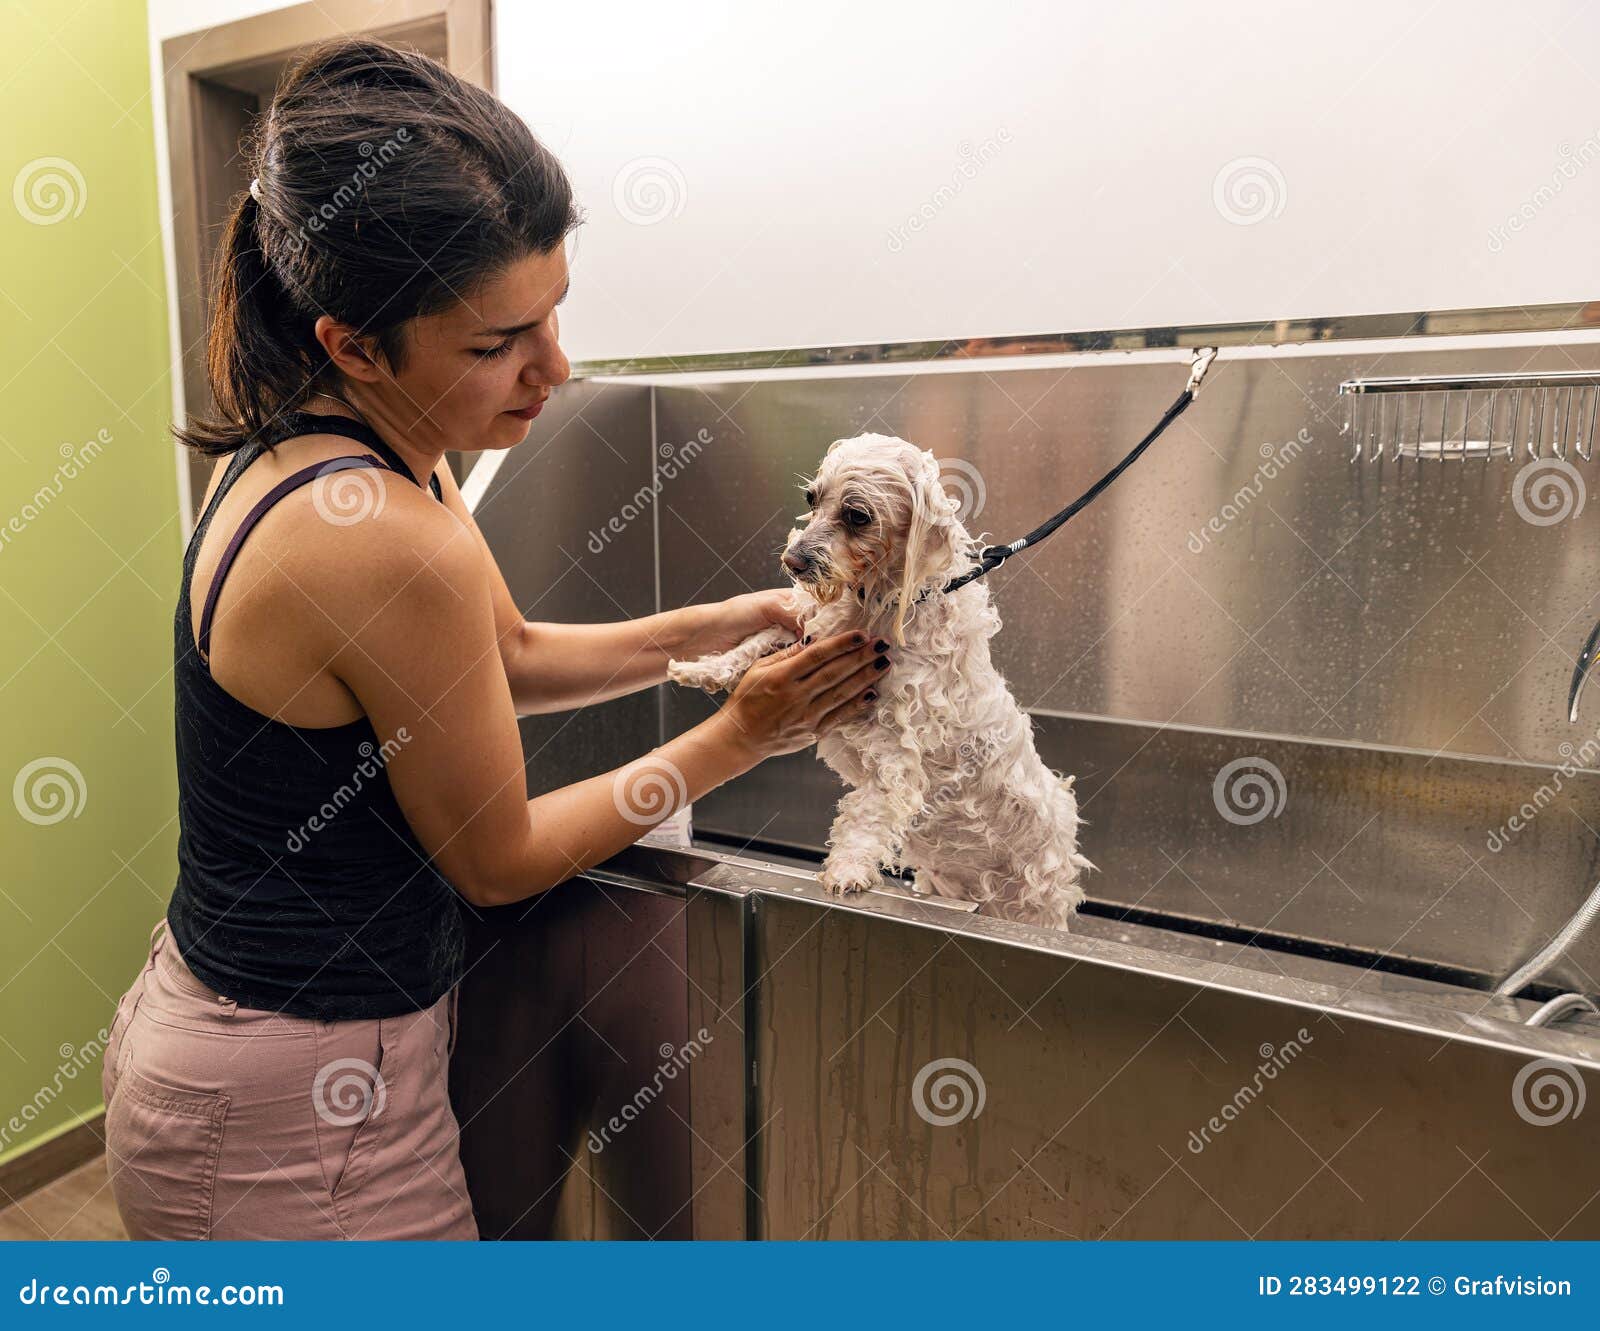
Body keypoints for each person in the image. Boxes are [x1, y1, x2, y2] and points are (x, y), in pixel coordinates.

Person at [101, 35, 890, 1241]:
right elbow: (499, 859)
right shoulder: (372, 535)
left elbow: (503, 653)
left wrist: (713, 625)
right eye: (497, 344)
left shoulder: (360, 454)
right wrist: (742, 731)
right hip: (286, 1111)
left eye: (554, 311)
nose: (554, 369)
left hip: (270, 1047)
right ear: (352, 345)